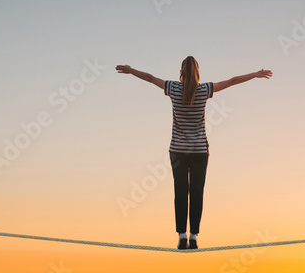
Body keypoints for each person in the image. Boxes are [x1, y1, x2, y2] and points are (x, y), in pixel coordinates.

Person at [116, 56, 272, 249]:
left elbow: (149, 77)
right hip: (199, 152)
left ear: (181, 71)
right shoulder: (204, 89)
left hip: (178, 151)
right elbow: (232, 81)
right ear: (198, 72)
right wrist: (255, 75)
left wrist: (131, 70)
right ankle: (194, 235)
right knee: (196, 193)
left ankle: (182, 235)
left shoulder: (173, 88)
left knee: (180, 192)